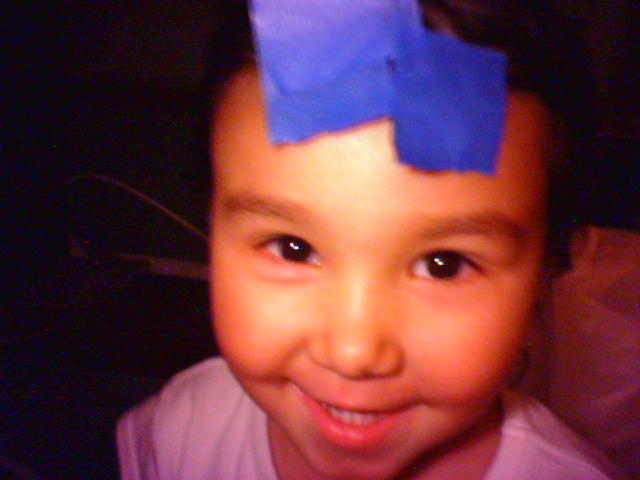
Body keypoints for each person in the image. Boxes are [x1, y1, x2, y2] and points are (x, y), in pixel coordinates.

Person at [117, 1, 627, 479]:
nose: (353, 351)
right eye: (294, 248)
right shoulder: (181, 428)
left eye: (444, 264)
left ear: (547, 270)